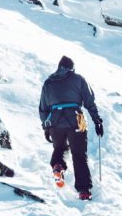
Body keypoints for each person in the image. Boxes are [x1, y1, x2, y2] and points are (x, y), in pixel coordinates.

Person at [39, 56, 103, 200]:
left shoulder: (48, 83)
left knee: (60, 148)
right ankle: (84, 191)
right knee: (79, 154)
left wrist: (46, 127)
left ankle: (58, 166)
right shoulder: (78, 79)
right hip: (75, 121)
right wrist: (97, 121)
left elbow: (43, 108)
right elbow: (89, 101)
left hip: (55, 122)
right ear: (72, 68)